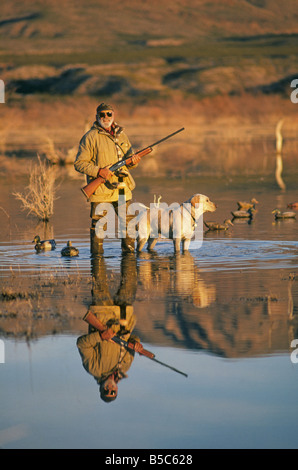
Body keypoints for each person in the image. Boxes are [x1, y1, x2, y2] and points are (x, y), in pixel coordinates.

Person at [74, 103, 141, 254]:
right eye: (102, 114)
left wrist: (134, 162)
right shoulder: (89, 137)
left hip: (122, 188)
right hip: (100, 189)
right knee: (99, 226)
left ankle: (129, 261)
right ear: (96, 117)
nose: (105, 117)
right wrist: (99, 171)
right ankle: (96, 263)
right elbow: (79, 164)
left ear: (113, 115)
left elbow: (129, 163)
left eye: (108, 114)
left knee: (129, 224)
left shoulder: (122, 135)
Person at [77, 253, 142, 402]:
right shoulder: (124, 368)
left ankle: (96, 234)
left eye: (106, 391)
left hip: (102, 313)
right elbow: (131, 340)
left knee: (99, 274)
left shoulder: (93, 369)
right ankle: (128, 237)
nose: (110, 388)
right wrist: (136, 344)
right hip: (124, 314)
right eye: (113, 392)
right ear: (117, 390)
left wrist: (100, 336)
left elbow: (81, 344)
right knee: (130, 277)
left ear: (100, 388)